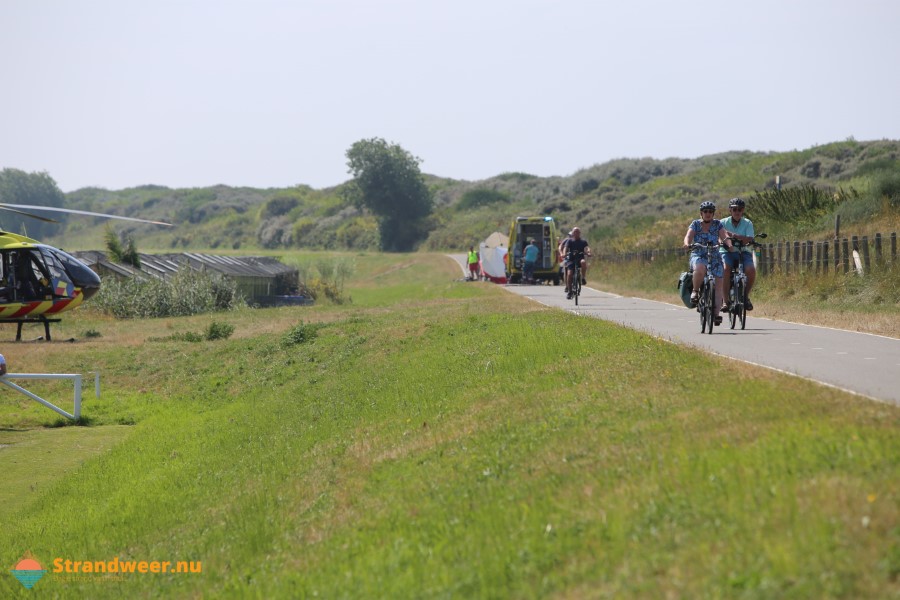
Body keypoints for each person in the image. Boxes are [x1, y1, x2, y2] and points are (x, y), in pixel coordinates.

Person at [683, 200, 733, 326]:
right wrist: (687, 244)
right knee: (699, 268)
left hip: (715, 256)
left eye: (710, 212)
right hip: (699, 254)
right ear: (701, 213)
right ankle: (695, 291)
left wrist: (729, 244)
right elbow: (688, 236)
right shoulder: (695, 224)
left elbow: (724, 236)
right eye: (705, 211)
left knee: (718, 284)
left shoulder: (717, 224)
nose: (708, 214)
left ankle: (716, 315)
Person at [720, 197, 756, 311]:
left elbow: (748, 240)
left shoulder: (748, 223)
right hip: (727, 252)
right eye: (734, 209)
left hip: (744, 252)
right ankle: (725, 301)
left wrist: (732, 236)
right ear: (730, 210)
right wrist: (737, 239)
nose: (737, 212)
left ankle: (745, 296)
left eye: (740, 209)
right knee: (725, 269)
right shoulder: (722, 222)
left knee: (751, 270)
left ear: (743, 210)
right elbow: (720, 237)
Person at [564, 227, 591, 299]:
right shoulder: (569, 241)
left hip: (580, 258)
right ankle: (569, 291)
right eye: (575, 232)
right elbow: (565, 248)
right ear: (572, 233)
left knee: (583, 262)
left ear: (580, 233)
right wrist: (564, 254)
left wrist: (588, 252)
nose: (576, 233)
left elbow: (587, 248)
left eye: (578, 232)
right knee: (569, 274)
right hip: (571, 260)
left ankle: (583, 278)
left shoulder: (583, 241)